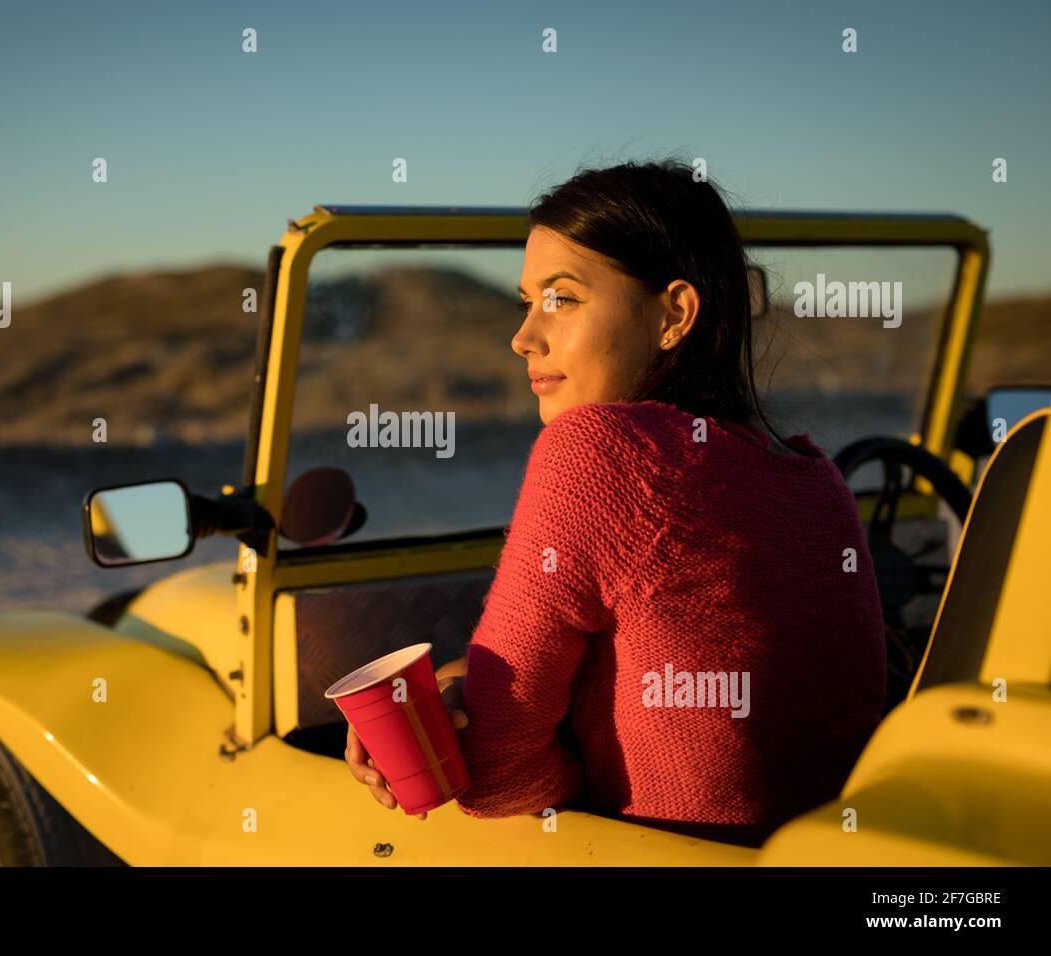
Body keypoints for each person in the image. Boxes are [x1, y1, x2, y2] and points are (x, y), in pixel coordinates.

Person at [344, 160, 886, 846]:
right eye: (526, 301)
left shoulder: (597, 451)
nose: (523, 337)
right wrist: (463, 685)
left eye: (561, 299)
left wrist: (514, 762)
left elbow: (495, 771)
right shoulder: (817, 478)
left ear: (674, 314)